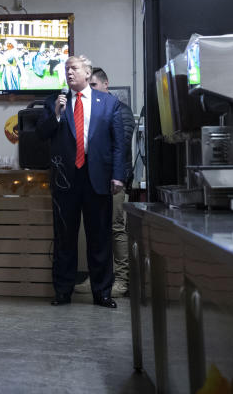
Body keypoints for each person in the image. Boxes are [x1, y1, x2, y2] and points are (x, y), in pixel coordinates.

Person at [36, 55, 125, 308]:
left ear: (87, 73)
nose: (69, 73)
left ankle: (102, 293)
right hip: (66, 179)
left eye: (74, 68)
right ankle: (63, 291)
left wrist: (118, 175)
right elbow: (41, 134)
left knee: (100, 238)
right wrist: (55, 115)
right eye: (66, 69)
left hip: (97, 178)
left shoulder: (108, 103)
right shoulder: (55, 102)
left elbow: (119, 144)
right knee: (64, 238)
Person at [79, 67, 135, 298]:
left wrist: (118, 178)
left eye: (93, 85)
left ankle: (122, 280)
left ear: (105, 84)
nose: (89, 90)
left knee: (115, 228)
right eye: (87, 85)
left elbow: (119, 144)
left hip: (114, 180)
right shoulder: (89, 108)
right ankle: (98, 277)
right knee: (96, 230)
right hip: (94, 180)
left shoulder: (120, 109)